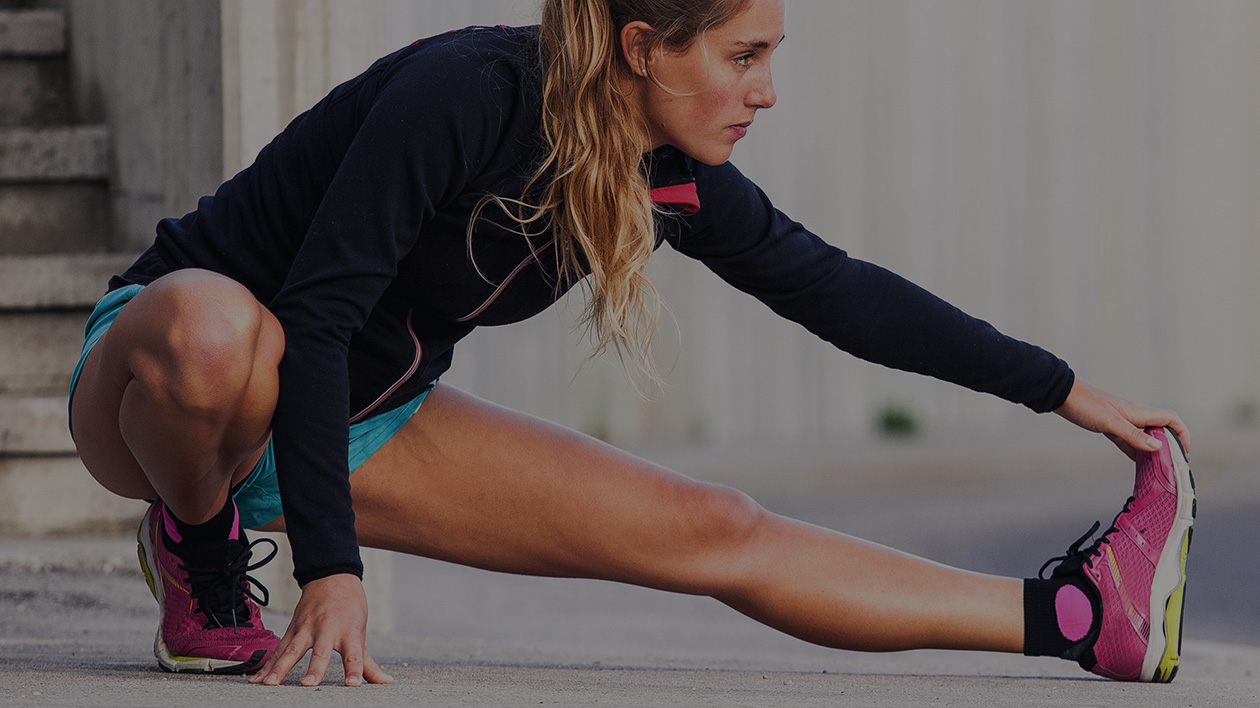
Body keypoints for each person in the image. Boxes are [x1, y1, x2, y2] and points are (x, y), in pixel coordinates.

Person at [67, 0, 1194, 688]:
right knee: (216, 328)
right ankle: (197, 544)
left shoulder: (667, 178)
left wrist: (1064, 391)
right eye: (746, 55)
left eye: (773, 56)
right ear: (647, 46)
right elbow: (314, 319)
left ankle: (1084, 619)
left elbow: (844, 297)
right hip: (165, 387)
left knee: (716, 527)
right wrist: (332, 570)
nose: (765, 91)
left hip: (366, 426)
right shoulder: (464, 96)